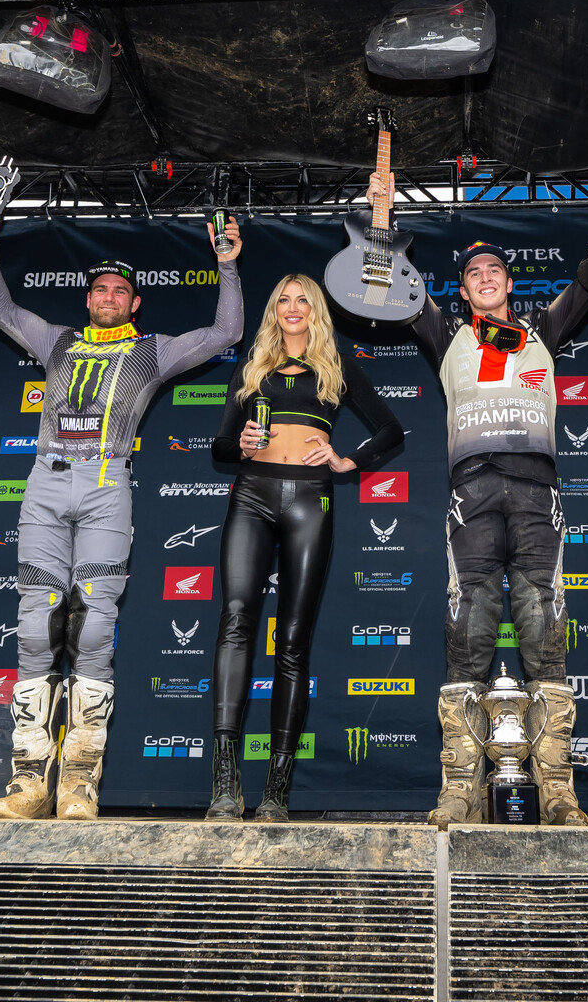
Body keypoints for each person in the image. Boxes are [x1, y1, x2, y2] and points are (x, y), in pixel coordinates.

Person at [366, 165, 588, 827]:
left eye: (495, 271)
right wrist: (384, 218)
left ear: (509, 283)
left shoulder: (542, 327)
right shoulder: (448, 334)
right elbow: (397, 285)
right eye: (474, 273)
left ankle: (559, 794)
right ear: (464, 288)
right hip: (470, 497)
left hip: (538, 496)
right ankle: (460, 791)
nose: (485, 278)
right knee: (467, 639)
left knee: (545, 639)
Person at [0, 208, 243, 821]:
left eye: (120, 290)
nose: (109, 297)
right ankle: (26, 784)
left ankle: (78, 784)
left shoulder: (153, 352)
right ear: (87, 297)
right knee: (35, 627)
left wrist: (227, 265)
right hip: (45, 482)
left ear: (136, 301)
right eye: (100, 289)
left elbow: (225, 333)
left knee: (93, 629)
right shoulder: (59, 340)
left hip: (106, 484)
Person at [206, 273, 404, 821]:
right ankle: (224, 784)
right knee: (236, 619)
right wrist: (241, 443)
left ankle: (275, 792)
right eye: (283, 299)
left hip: (310, 502)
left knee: (292, 642)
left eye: (302, 301)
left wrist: (348, 461)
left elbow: (391, 429)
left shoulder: (336, 368)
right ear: (273, 311)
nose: (292, 308)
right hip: (251, 496)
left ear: (316, 310)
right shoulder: (252, 370)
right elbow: (220, 444)